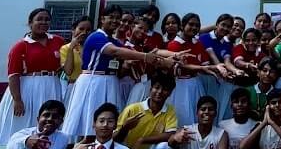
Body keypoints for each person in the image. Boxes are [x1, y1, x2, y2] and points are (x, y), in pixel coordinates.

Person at [63, 9, 186, 141]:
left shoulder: (114, 41)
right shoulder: (96, 36)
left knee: (107, 126)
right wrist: (145, 57)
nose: (115, 21)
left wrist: (172, 56)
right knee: (91, 126)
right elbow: (115, 51)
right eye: (111, 17)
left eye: (117, 18)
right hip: (94, 82)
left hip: (110, 82)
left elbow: (152, 52)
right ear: (102, 19)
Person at [0, 8, 65, 147]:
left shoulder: (58, 41)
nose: (43, 22)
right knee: (26, 122)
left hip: (52, 85)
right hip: (28, 88)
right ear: (30, 23)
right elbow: (13, 75)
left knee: (50, 121)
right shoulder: (20, 46)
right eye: (39, 19)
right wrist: (17, 100)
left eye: (47, 19)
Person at [168, 12, 213, 124]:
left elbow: (205, 65)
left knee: (197, 115)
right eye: (191, 24)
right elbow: (181, 66)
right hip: (180, 86)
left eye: (197, 25)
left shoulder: (198, 44)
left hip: (196, 84)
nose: (194, 28)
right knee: (182, 116)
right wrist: (202, 69)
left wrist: (219, 69)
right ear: (182, 26)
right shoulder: (174, 44)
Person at [60, 17, 92, 109]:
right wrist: (71, 48)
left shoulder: (93, 48)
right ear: (73, 30)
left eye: (88, 30)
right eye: (81, 29)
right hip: (74, 86)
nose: (84, 32)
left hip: (90, 86)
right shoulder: (65, 48)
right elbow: (68, 71)